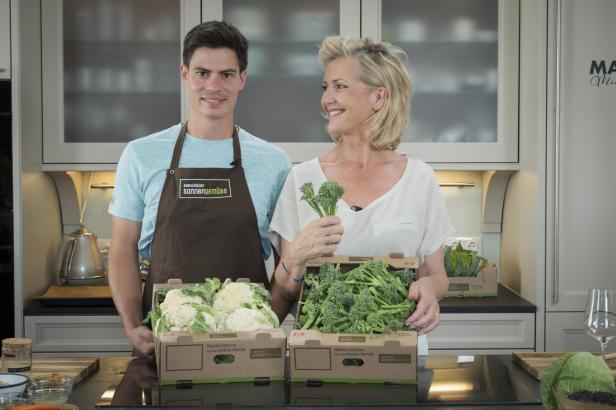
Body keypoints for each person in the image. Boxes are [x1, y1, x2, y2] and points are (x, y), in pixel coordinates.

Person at [107, 21, 291, 356]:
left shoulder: (273, 161)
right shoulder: (141, 154)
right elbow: (122, 248)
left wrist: (267, 321)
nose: (214, 86)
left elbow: (289, 262)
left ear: (242, 79)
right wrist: (132, 324)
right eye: (202, 73)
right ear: (184, 74)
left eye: (226, 74)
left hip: (248, 346)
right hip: (163, 341)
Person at [268, 36, 454, 355]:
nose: (327, 99)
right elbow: (281, 298)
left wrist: (429, 290)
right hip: (319, 356)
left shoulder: (419, 178)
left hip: (400, 350)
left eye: (340, 86)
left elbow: (436, 275)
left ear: (378, 97)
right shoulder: (303, 179)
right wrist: (293, 259)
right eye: (325, 87)